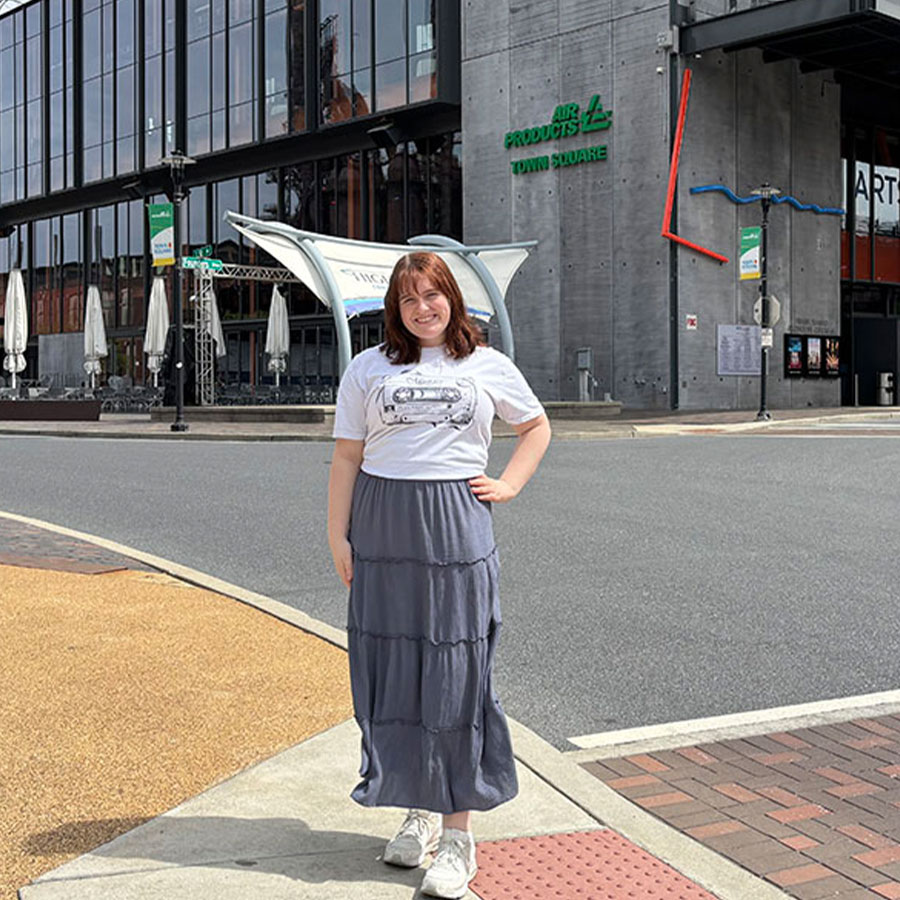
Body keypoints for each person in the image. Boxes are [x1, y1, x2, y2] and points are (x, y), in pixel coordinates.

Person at [327, 251, 551, 899]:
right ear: (394, 311)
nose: (423, 308)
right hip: (381, 521)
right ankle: (417, 812)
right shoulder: (367, 368)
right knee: (394, 671)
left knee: (457, 672)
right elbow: (346, 456)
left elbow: (535, 428)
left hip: (456, 520)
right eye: (409, 299)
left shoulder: (486, 365)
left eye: (433, 295)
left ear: (453, 298)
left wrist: (508, 483)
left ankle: (458, 834)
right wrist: (337, 535)